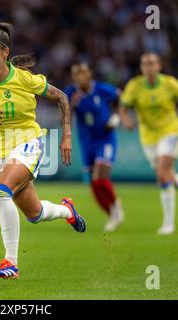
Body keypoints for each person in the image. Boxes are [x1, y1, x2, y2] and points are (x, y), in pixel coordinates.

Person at [0, 23, 86, 279]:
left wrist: (67, 134)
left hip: (28, 143)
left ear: (5, 52)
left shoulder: (24, 79)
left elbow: (62, 98)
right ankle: (68, 211)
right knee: (35, 214)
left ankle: (10, 263)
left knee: (0, 192)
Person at [119, 52, 178, 235]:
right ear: (141, 67)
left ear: (159, 66)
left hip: (169, 131)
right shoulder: (135, 86)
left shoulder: (169, 83)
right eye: (145, 64)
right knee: (163, 176)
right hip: (148, 136)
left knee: (163, 173)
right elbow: (123, 106)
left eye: (152, 64)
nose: (148, 67)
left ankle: (169, 224)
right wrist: (125, 120)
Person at [64, 63, 124, 232]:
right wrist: (72, 106)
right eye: (76, 74)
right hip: (86, 142)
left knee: (100, 176)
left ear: (89, 74)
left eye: (83, 73)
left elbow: (121, 98)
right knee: (93, 184)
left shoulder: (103, 89)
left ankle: (115, 205)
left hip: (105, 138)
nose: (80, 77)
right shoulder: (71, 93)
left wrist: (116, 117)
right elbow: (64, 112)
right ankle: (112, 213)